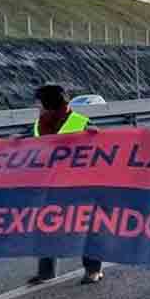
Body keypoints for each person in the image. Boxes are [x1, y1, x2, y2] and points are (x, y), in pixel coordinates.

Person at [28, 83, 104, 286]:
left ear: (50, 103)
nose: (37, 108)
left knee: (87, 227)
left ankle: (93, 270)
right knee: (46, 225)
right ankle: (46, 272)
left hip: (81, 185)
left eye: (39, 104)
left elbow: (102, 148)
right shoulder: (39, 125)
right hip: (52, 184)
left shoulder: (81, 122)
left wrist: (96, 135)